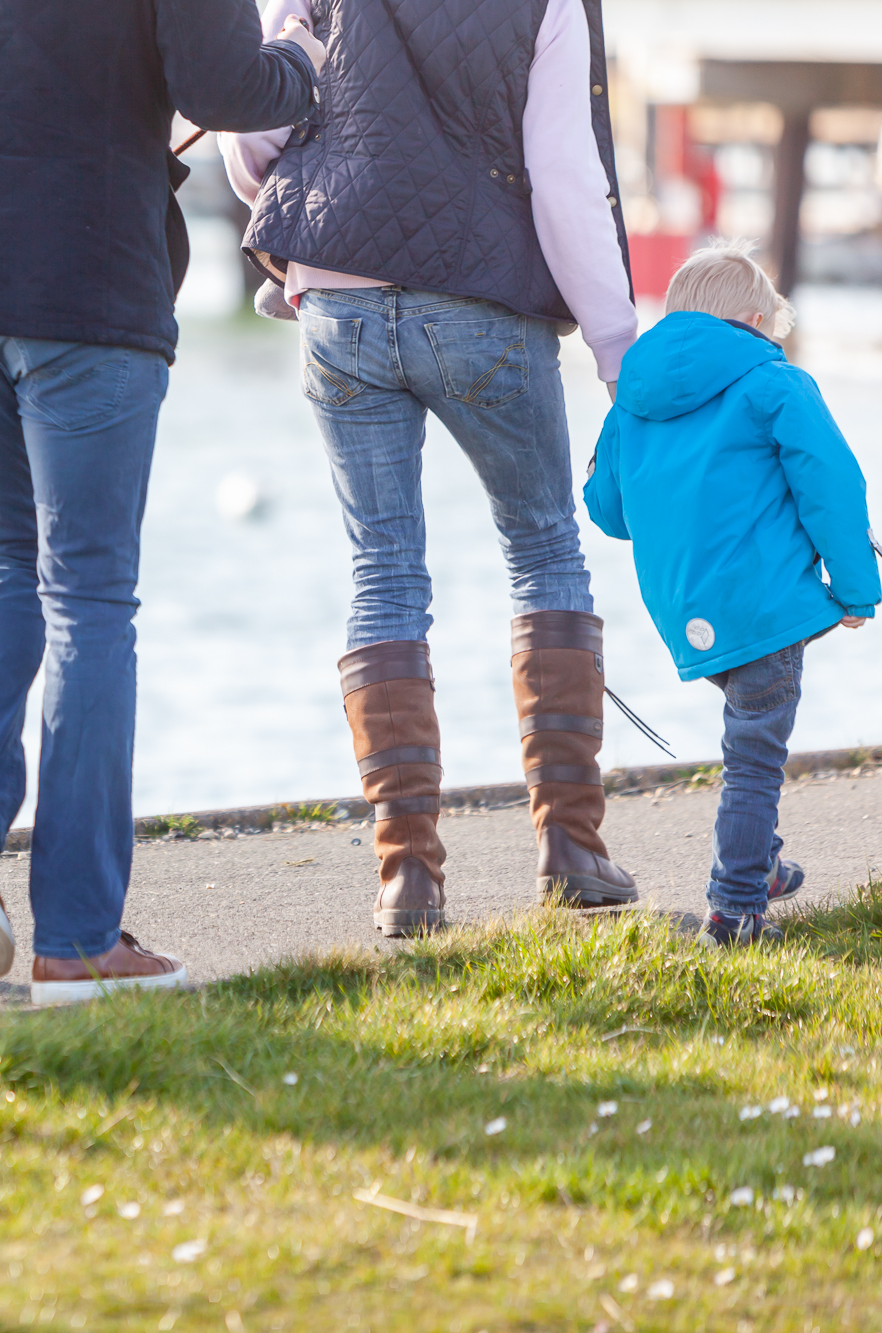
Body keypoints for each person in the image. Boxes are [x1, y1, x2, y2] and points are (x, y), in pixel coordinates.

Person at [0, 0, 321, 1002]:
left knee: (5, 552)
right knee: (89, 593)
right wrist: (303, 61)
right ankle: (79, 937)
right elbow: (225, 90)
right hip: (86, 281)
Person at [220, 0, 642, 935]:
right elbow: (565, 179)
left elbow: (253, 133)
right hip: (485, 297)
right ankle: (571, 850)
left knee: (383, 570)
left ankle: (407, 877)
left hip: (339, 299)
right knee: (543, 550)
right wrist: (619, 350)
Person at [583, 243, 878, 947]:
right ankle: (737, 904)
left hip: (684, 612)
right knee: (755, 755)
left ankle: (762, 860)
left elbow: (609, 511)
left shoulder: (633, 396)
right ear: (753, 319)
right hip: (765, 608)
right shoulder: (776, 382)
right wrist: (859, 588)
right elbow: (831, 487)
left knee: (748, 729)